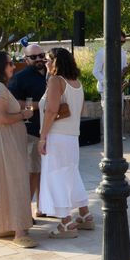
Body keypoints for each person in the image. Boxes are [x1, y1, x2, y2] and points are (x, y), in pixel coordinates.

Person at [0, 51, 36, 248]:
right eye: (10, 63)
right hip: (4, 141)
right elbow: (0, 118)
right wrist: (24, 114)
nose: (13, 67)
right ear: (0, 66)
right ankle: (20, 230)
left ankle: (5, 225)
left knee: (2, 180)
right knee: (15, 179)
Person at [37, 48, 92, 237]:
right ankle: (85, 215)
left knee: (56, 176)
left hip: (56, 136)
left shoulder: (55, 80)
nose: (45, 63)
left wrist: (43, 137)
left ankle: (66, 223)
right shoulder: (76, 83)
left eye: (47, 60)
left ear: (55, 61)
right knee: (71, 174)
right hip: (72, 137)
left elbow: (51, 111)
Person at [8, 44, 47, 209]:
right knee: (33, 171)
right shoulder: (20, 77)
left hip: (50, 130)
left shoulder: (52, 73)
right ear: (26, 59)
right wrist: (40, 105)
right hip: (31, 131)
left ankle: (42, 207)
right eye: (34, 57)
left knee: (44, 172)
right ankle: (25, 213)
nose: (39, 59)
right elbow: (13, 103)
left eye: (41, 55)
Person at [93, 30, 130, 96]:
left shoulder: (122, 52)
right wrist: (107, 83)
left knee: (120, 106)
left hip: (119, 87)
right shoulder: (102, 52)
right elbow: (96, 71)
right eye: (120, 41)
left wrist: (126, 70)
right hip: (105, 89)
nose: (122, 44)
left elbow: (124, 68)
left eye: (123, 42)